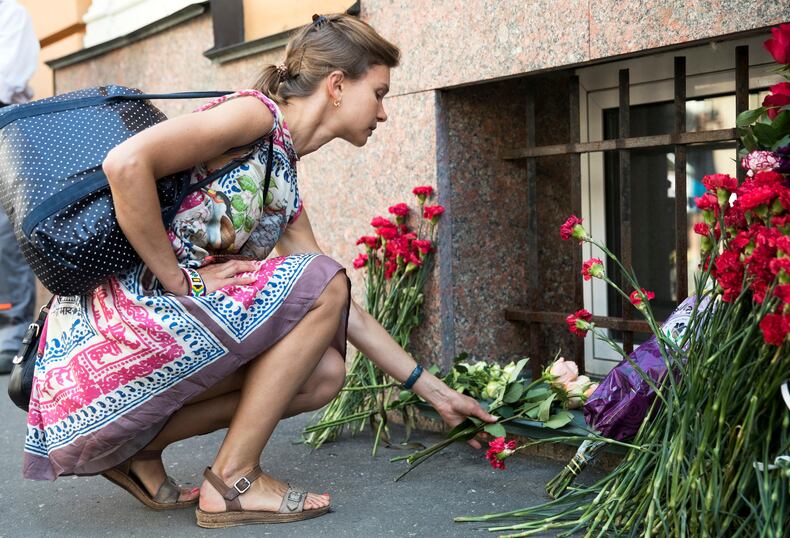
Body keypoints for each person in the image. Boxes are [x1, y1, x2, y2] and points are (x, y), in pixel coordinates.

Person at [23, 13, 497, 528]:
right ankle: (234, 479)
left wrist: (434, 391)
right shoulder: (254, 116)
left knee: (324, 374)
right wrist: (181, 280)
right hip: (110, 341)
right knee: (323, 280)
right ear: (337, 85)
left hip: (135, 352)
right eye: (379, 93)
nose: (383, 112)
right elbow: (125, 165)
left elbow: (338, 305)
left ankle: (136, 449)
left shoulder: (282, 175)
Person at [0, 0, 39, 374]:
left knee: (3, 233)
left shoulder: (9, 13)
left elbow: (8, 77)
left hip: (4, 122)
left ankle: (11, 328)